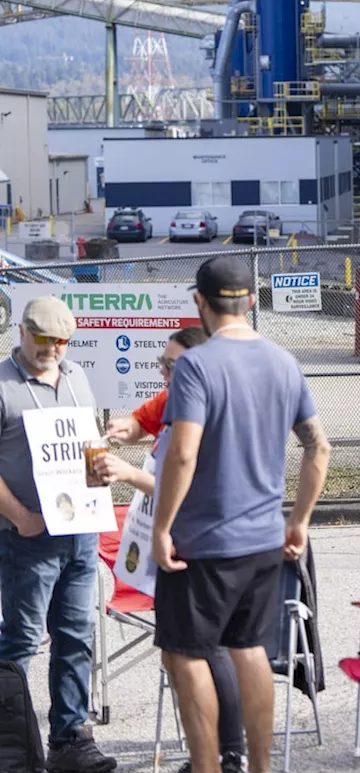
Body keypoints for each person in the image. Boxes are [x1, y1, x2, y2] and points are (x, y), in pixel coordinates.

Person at [151, 256, 331, 773]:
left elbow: (183, 454)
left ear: (200, 303)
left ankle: (208, 768)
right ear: (252, 300)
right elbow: (319, 447)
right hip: (262, 540)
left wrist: (162, 527)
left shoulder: (196, 365)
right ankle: (259, 768)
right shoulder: (284, 361)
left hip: (203, 543)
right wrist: (299, 520)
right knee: (249, 647)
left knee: (186, 656)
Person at [98, 326, 247, 773]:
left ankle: (229, 755)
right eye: (162, 365)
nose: (164, 373)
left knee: (208, 648)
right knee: (176, 650)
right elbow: (141, 420)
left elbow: (181, 482)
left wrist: (126, 473)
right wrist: (120, 429)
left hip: (203, 542)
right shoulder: (174, 395)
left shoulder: (211, 411)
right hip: (170, 544)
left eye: (172, 366)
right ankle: (205, 753)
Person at [0, 296, 117, 772]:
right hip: (26, 537)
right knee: (21, 642)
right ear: (23, 333)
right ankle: (11, 746)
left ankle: (69, 741)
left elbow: (88, 438)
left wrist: (101, 471)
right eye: (44, 339)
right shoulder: (3, 385)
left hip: (80, 534)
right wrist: (20, 516)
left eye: (62, 341)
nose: (53, 349)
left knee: (75, 636)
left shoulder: (77, 377)